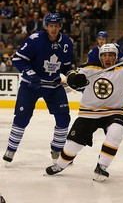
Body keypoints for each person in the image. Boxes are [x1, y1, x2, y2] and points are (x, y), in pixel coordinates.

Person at [45, 44, 123, 182]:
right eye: (104, 55)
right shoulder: (89, 69)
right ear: (100, 57)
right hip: (89, 113)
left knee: (117, 131)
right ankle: (61, 165)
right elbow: (72, 76)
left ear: (116, 57)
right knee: (73, 145)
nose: (108, 58)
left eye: (111, 55)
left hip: (114, 112)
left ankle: (102, 166)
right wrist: (74, 80)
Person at [2, 13, 75, 164]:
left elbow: (67, 66)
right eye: (51, 26)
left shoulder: (67, 42)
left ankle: (57, 149)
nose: (54, 29)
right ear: (46, 26)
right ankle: (11, 148)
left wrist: (72, 75)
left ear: (60, 26)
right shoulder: (35, 39)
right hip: (31, 86)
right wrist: (30, 74)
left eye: (56, 26)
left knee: (64, 118)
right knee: (22, 118)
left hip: (53, 86)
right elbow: (18, 58)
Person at [81, 31, 123, 128]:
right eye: (100, 39)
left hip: (113, 75)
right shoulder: (93, 52)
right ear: (97, 40)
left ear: (107, 40)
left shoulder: (115, 48)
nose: (101, 41)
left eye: (103, 39)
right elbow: (89, 67)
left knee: (119, 98)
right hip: (98, 78)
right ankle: (96, 116)